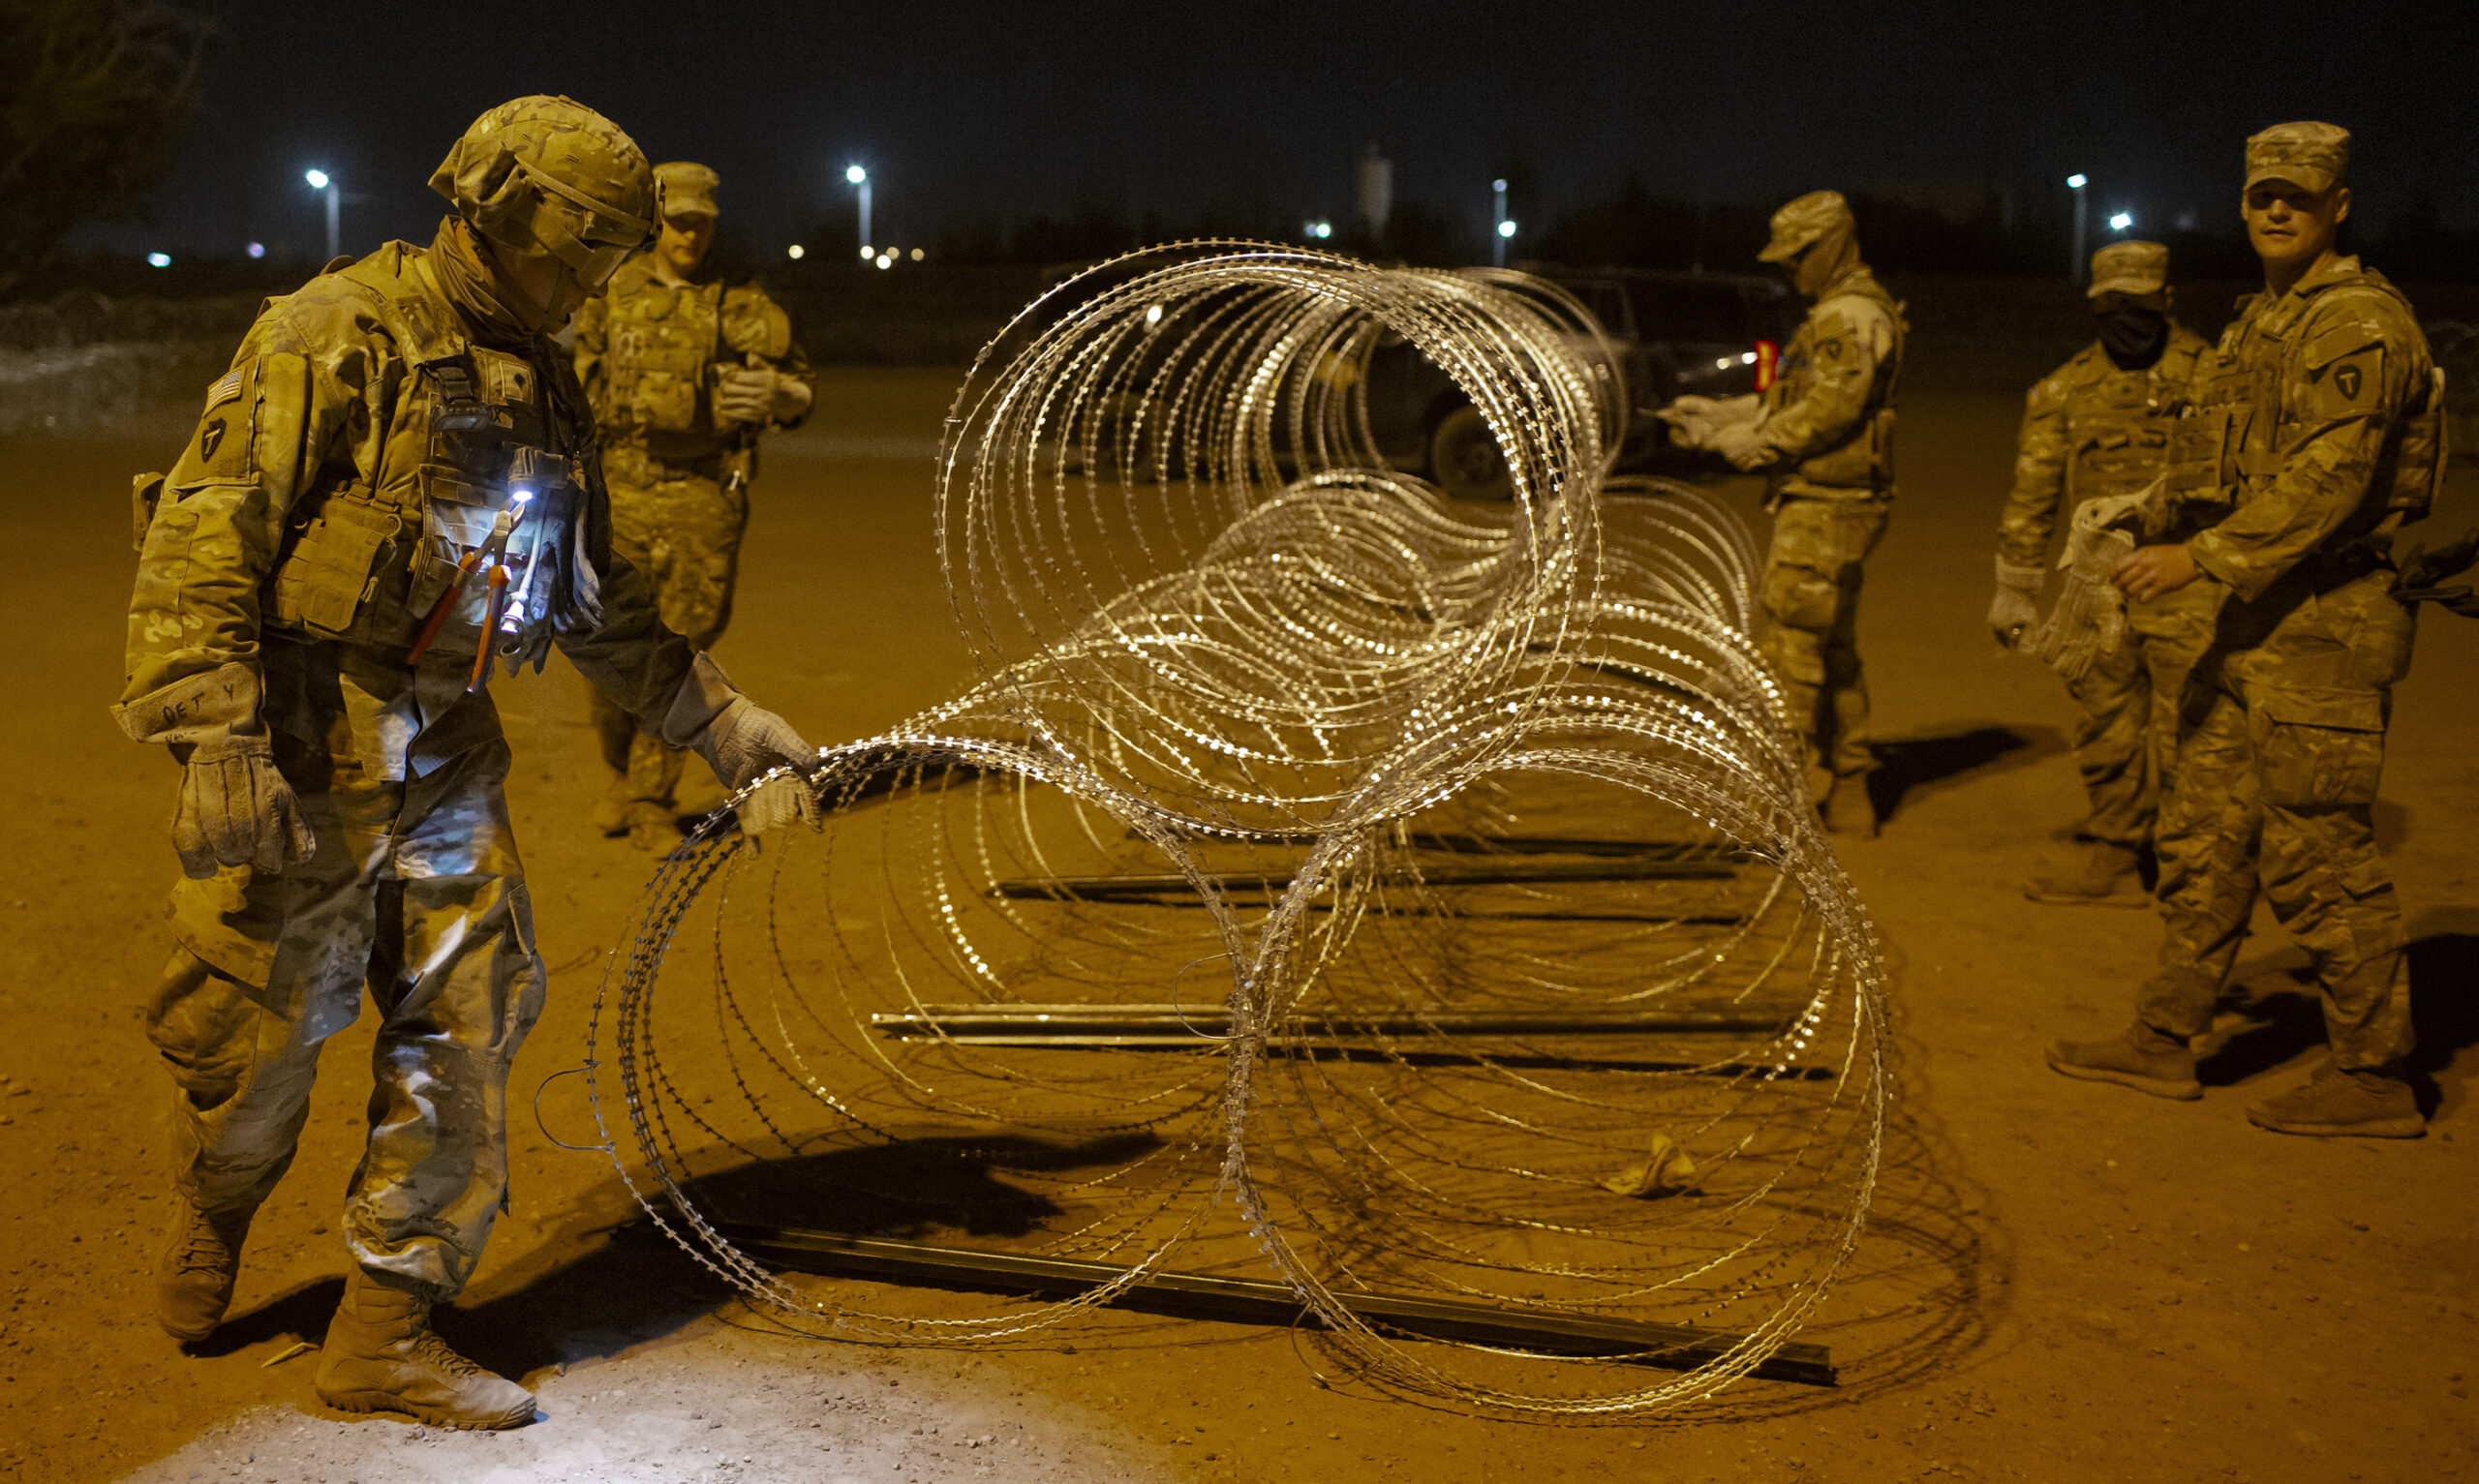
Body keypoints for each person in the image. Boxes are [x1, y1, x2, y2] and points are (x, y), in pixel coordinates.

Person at [117, 96, 819, 1428]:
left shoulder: (548, 380)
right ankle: (218, 1202)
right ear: (505, 219)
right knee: (255, 1045)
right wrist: (216, 736)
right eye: (582, 254)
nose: (594, 285)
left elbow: (595, 593)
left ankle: (386, 1327)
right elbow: (207, 531)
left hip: (448, 750)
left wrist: (716, 719)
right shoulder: (338, 330)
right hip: (307, 745)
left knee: (468, 1021)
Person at [2045, 122, 2446, 1137]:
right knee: (2202, 835)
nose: (2276, 209)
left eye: (2297, 197)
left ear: (2338, 206)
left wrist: (2202, 557)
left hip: (2324, 624)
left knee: (2317, 851)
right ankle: (2165, 1036)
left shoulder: (2357, 321)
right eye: (2263, 193)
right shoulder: (2260, 325)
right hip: (2248, 619)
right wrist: (2142, 509)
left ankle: (2375, 1076)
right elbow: (2215, 463)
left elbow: (2331, 480)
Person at [572, 161, 814, 849]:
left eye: (700, 223)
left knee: (681, 648)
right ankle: (619, 771)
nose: (690, 235)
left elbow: (798, 387)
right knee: (605, 640)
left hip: (703, 494)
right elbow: (577, 379)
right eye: (678, 222)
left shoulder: (738, 299)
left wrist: (779, 395)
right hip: (621, 487)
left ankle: (652, 797)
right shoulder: (611, 290)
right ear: (657, 223)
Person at [1661, 190, 1906, 834]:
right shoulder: (1838, 312)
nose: (1791, 270)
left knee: (1790, 651)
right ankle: (1851, 787)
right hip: (1833, 501)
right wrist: (1721, 417)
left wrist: (1759, 442)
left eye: (1799, 256)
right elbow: (1796, 398)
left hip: (1828, 506)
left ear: (1833, 244)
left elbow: (1833, 410)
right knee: (1833, 650)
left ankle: (1775, 803)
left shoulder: (1847, 316)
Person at [1989, 241, 2211, 904]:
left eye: (2138, 305)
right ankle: (2116, 849)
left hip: (2188, 584)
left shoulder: (2214, 377)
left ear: (2167, 300)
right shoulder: (2065, 389)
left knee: (2193, 732)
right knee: (2104, 725)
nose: (2125, 320)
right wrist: (2015, 590)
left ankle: (2192, 873)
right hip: (2097, 589)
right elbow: (2033, 492)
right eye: (2110, 307)